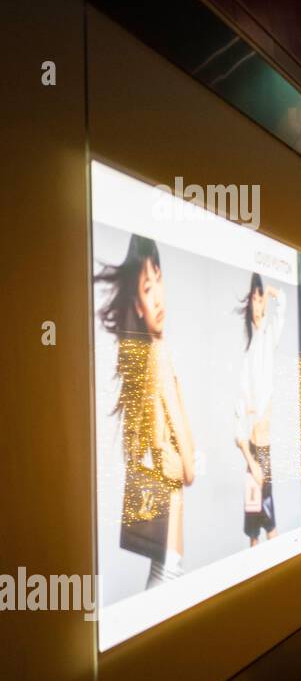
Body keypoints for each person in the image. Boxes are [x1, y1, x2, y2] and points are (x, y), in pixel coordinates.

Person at [95, 235, 196, 589]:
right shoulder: (158, 356)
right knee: (165, 581)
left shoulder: (145, 359)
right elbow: (190, 469)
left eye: (159, 281)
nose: (156, 296)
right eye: (146, 287)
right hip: (167, 530)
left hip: (162, 534)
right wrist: (184, 463)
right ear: (137, 304)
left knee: (160, 580)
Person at [235, 274, 285, 547]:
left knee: (264, 526)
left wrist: (272, 292)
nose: (257, 305)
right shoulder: (249, 353)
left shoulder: (267, 339)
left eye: (259, 299)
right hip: (253, 452)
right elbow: (239, 416)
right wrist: (251, 462)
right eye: (253, 300)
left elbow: (283, 308)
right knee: (257, 530)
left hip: (261, 452)